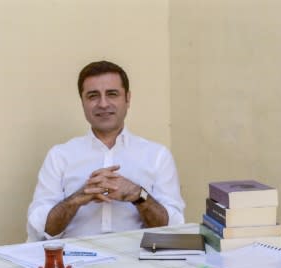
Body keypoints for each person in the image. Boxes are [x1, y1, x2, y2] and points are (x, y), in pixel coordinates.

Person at [26, 60, 185, 241]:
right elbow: (39, 230)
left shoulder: (157, 156)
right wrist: (77, 198)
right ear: (82, 102)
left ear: (128, 99)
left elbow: (174, 229)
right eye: (93, 96)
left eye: (112, 94)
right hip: (73, 261)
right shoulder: (59, 156)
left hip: (138, 259)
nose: (103, 104)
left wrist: (139, 195)